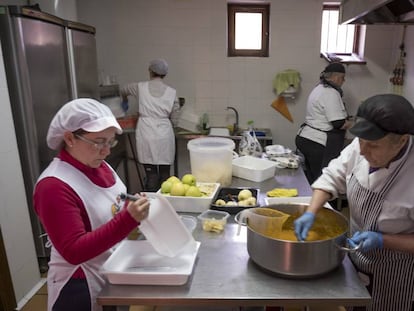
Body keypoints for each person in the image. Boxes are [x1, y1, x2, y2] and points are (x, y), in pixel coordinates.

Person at [294, 94, 414, 311]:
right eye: (360, 141)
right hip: (355, 257)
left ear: (402, 140)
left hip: (396, 274)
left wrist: (383, 240)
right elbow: (332, 176)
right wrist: (311, 212)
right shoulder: (361, 148)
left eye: (374, 146)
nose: (363, 151)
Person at [33, 98, 150, 311]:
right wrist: (128, 218)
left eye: (110, 141)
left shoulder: (100, 165)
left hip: (111, 270)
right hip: (80, 286)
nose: (106, 151)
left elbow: (109, 206)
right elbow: (73, 251)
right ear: (69, 138)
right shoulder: (53, 186)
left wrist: (130, 208)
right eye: (99, 142)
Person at [120, 58, 182, 191]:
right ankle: (166, 206)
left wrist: (124, 101)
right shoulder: (172, 92)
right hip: (165, 133)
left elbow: (123, 89)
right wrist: (172, 125)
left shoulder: (139, 87)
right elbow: (175, 116)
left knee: (151, 174)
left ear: (150, 71)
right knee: (166, 175)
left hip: (146, 131)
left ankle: (151, 206)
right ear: (165, 74)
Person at [295, 62, 353, 184]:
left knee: (312, 179)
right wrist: (353, 123)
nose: (343, 81)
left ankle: (311, 201)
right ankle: (320, 203)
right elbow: (338, 123)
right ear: (337, 78)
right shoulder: (331, 93)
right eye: (343, 78)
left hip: (306, 137)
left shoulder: (319, 88)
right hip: (317, 143)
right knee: (322, 180)